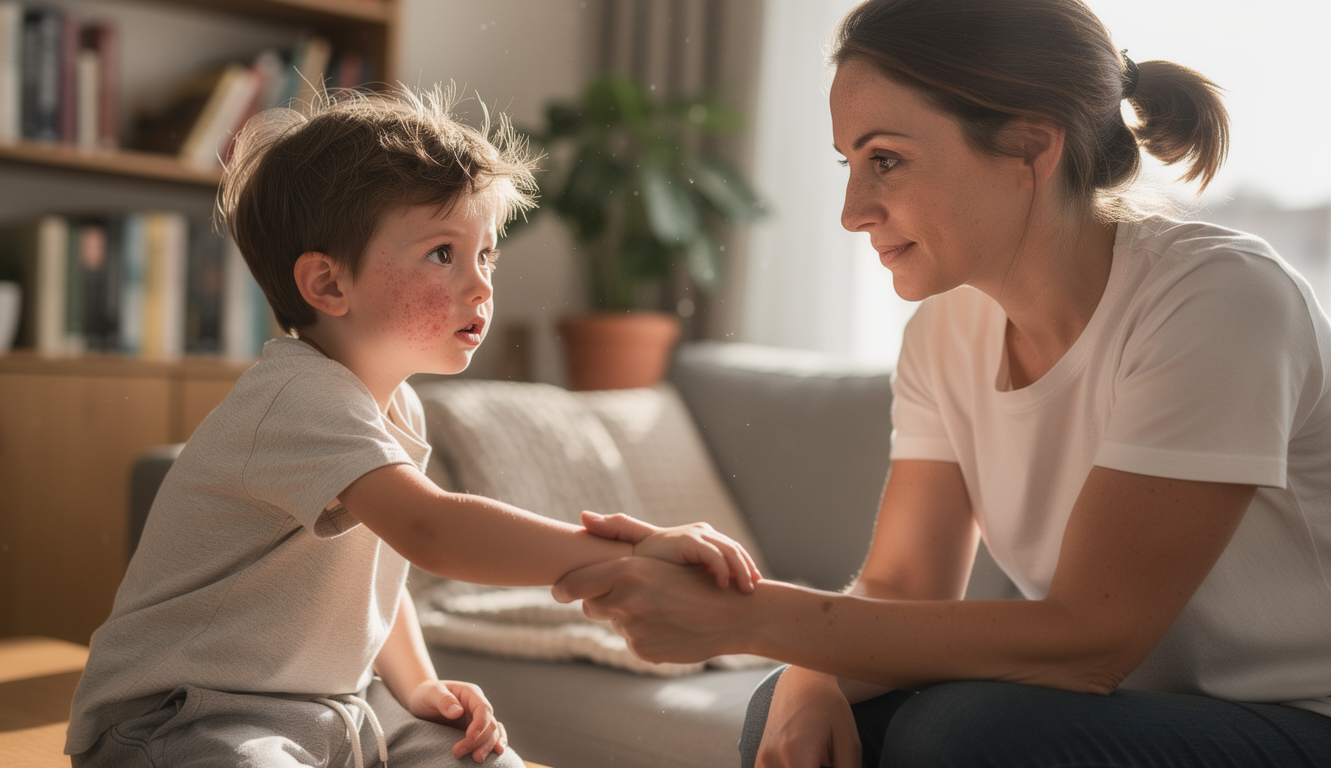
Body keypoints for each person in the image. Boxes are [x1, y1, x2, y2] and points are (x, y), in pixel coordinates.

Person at [552, 0, 1331, 765]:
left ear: (1031, 146)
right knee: (794, 708)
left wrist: (752, 621)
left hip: (1301, 715)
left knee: (963, 734)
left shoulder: (1219, 298)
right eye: (849, 164)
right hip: (1137, 711)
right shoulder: (943, 334)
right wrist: (810, 668)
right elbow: (900, 583)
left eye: (884, 159)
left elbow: (1092, 641)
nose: (854, 211)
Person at [65, 86, 760, 768]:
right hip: (186, 716)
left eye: (485, 254)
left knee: (475, 754)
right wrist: (625, 553)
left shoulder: (397, 406)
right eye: (442, 254)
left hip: (336, 708)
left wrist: (419, 685)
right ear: (328, 286)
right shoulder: (298, 398)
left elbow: (375, 572)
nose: (482, 284)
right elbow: (430, 531)